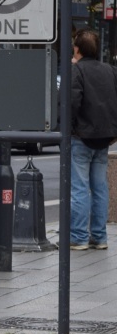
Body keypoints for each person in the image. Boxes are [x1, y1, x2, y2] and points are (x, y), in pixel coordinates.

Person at [68, 29, 117, 251]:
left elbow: (72, 102)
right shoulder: (110, 71)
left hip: (81, 137)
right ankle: (99, 237)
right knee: (100, 187)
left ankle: (78, 237)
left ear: (77, 49)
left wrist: (67, 128)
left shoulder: (77, 71)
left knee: (79, 188)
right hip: (104, 137)